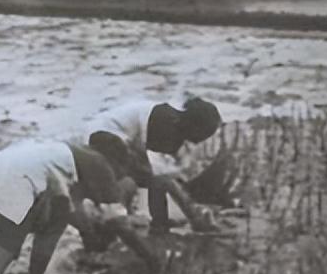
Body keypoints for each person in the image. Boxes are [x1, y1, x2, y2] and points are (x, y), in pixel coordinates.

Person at [0, 131, 158, 274]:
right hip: (20, 178)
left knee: (56, 218)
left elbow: (72, 210)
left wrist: (89, 237)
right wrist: (151, 259)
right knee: (3, 252)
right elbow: (120, 224)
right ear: (117, 161)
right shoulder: (100, 164)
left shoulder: (72, 158)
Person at [85, 97, 230, 233]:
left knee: (155, 177)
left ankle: (160, 221)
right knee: (149, 178)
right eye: (205, 134)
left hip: (115, 136)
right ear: (195, 126)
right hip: (107, 135)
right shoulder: (166, 125)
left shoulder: (174, 123)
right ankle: (121, 221)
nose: (201, 140)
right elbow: (159, 173)